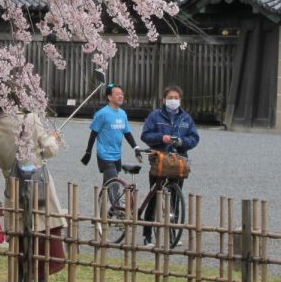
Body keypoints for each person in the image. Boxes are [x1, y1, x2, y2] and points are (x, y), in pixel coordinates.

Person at [0, 94, 65, 282]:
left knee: (20, 257)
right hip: (40, 191)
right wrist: (52, 139)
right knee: (42, 256)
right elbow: (50, 150)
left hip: (14, 194)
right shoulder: (30, 118)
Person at [139, 85, 200, 246]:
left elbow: (195, 138)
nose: (173, 100)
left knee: (175, 198)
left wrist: (182, 142)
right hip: (159, 160)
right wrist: (161, 138)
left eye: (176, 97)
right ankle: (147, 235)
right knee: (154, 196)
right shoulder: (155, 116)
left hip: (178, 161)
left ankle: (173, 233)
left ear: (180, 99)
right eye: (170, 97)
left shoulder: (186, 118)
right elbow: (145, 135)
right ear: (164, 99)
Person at [80, 83, 141, 193]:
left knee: (107, 185)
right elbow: (93, 134)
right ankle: (114, 204)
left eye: (122, 94)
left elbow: (127, 133)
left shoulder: (123, 114)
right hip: (105, 155)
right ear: (109, 97)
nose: (121, 96)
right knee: (114, 185)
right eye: (117, 94)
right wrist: (88, 152)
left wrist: (136, 148)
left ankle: (101, 203)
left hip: (117, 155)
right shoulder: (102, 114)